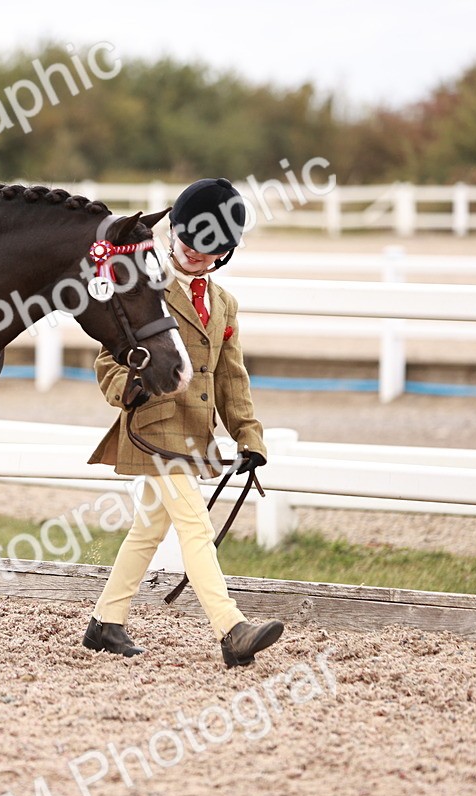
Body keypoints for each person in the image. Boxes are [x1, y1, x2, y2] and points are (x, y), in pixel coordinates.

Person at [82, 178, 284, 667]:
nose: (194, 254)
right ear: (171, 232)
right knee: (195, 523)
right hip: (152, 426)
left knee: (149, 528)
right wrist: (129, 388)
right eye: (187, 242)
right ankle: (231, 629)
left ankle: (106, 621)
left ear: (225, 253)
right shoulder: (144, 287)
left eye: (208, 250)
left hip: (194, 431)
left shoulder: (224, 304)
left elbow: (231, 378)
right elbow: (108, 360)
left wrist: (248, 436)